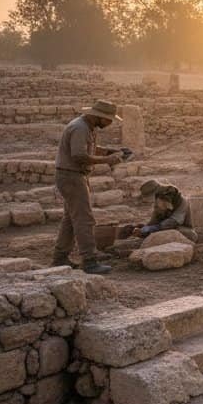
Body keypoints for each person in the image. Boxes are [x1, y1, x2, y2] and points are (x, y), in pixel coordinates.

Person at [52, 100, 124, 275]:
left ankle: (60, 258)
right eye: (109, 120)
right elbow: (79, 155)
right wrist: (107, 160)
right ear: (99, 116)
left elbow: (89, 147)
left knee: (70, 219)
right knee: (85, 219)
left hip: (72, 176)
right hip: (72, 176)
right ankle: (90, 261)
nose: (110, 123)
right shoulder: (80, 128)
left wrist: (109, 151)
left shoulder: (85, 126)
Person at [120, 179, 196, 242]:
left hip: (185, 232)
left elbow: (173, 222)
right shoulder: (159, 204)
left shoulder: (182, 202)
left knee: (169, 232)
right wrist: (140, 230)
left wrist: (152, 228)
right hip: (166, 230)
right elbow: (153, 223)